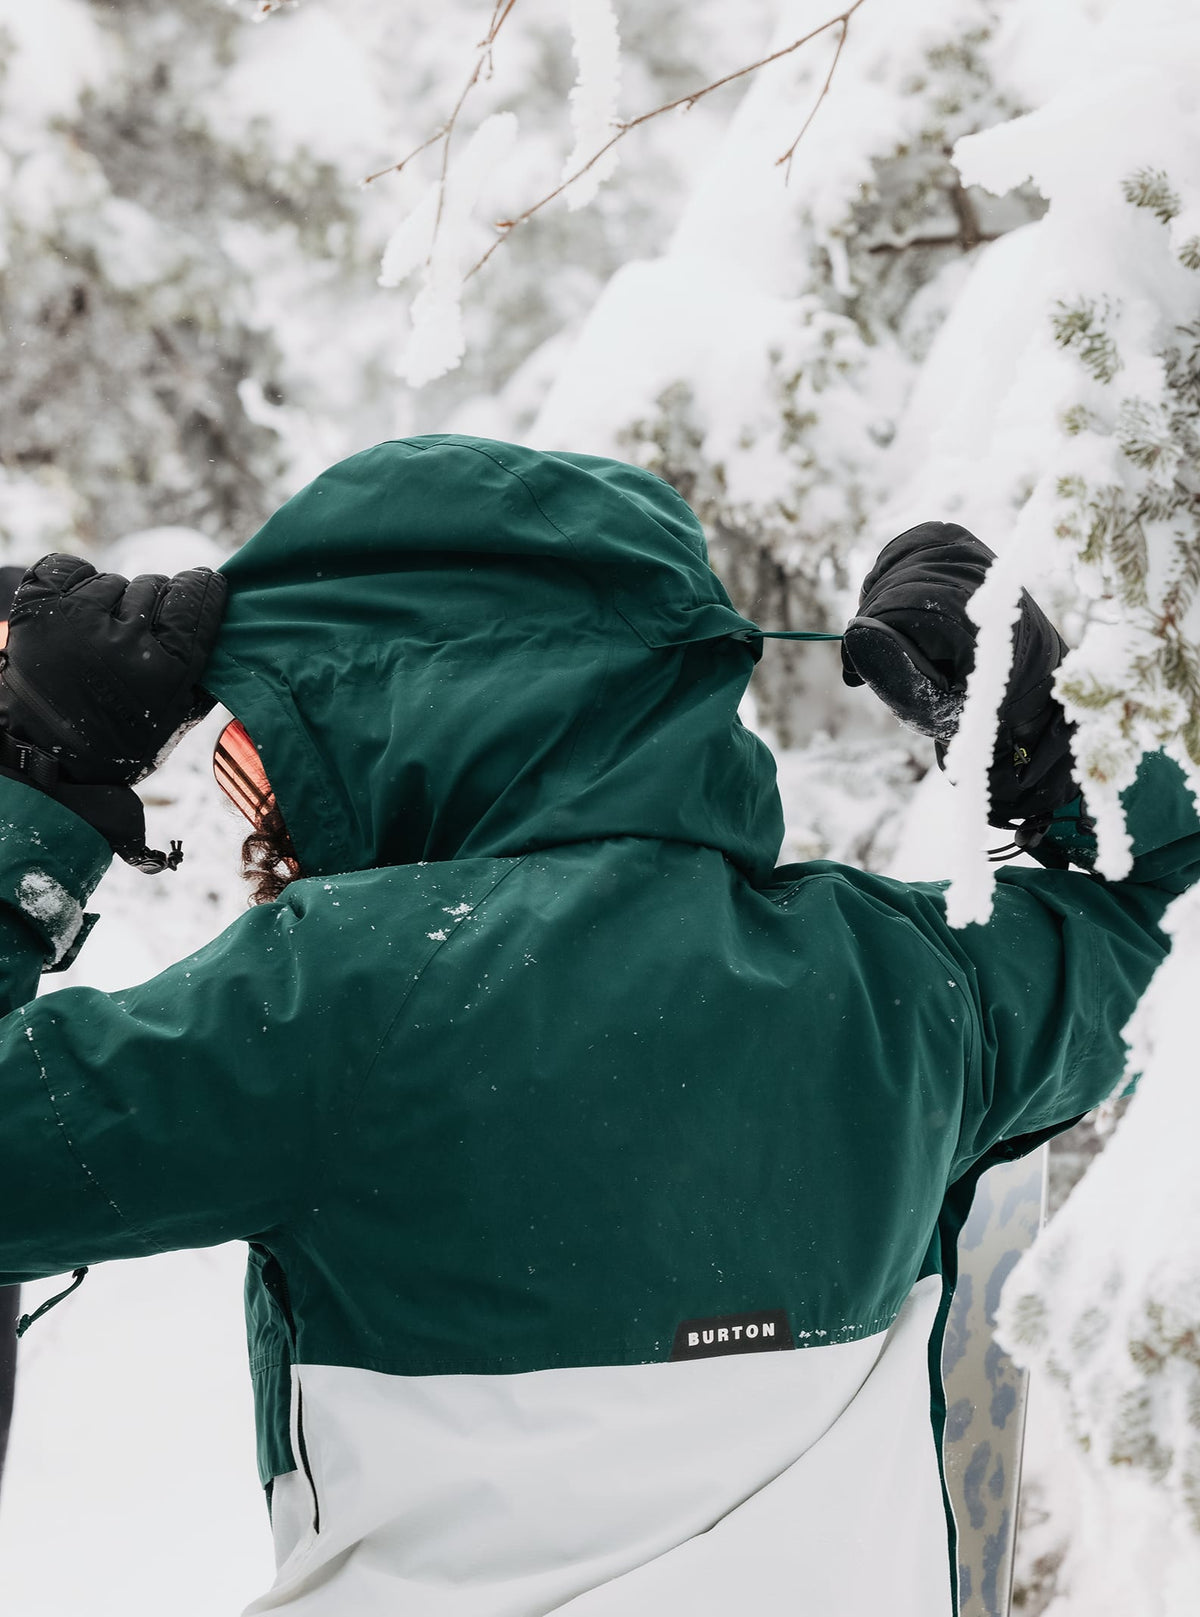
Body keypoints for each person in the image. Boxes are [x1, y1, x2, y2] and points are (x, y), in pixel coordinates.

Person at [0, 435, 1194, 1616]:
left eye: (261, 760)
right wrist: (1036, 736)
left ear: (392, 717)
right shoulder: (898, 980)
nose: (261, 819)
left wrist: (40, 777)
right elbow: (1166, 914)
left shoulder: (339, 1000)